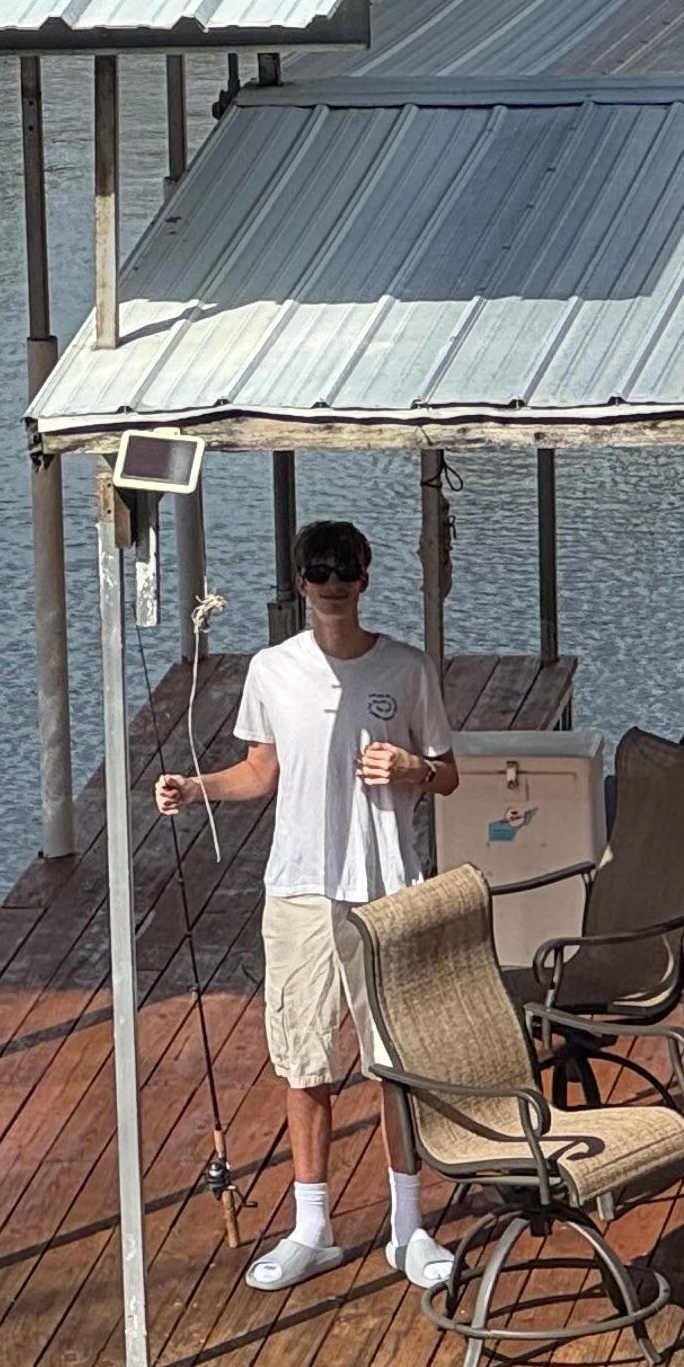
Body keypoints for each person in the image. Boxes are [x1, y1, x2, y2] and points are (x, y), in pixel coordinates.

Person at [153, 516, 459, 1292]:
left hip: (388, 886)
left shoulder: (407, 668)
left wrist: (413, 769)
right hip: (299, 890)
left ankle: (407, 1228)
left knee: (396, 1064)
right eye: (318, 572)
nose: (331, 584)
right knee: (304, 1065)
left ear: (364, 577)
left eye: (344, 570)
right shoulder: (272, 670)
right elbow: (261, 772)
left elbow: (449, 774)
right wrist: (196, 789)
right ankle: (313, 1228)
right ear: (298, 584)